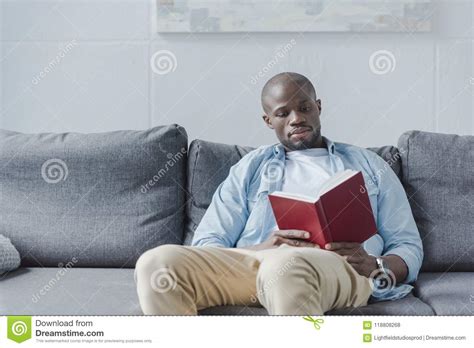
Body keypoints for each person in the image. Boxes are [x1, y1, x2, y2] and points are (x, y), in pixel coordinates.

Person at [135, 72, 423, 315]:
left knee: (285, 266)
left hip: (341, 269)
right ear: (268, 120)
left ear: (319, 107)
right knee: (156, 264)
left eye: (304, 107)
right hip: (254, 266)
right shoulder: (249, 168)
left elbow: (407, 245)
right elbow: (208, 242)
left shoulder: (369, 165)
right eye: (283, 113)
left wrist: (375, 264)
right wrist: (261, 249)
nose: (296, 118)